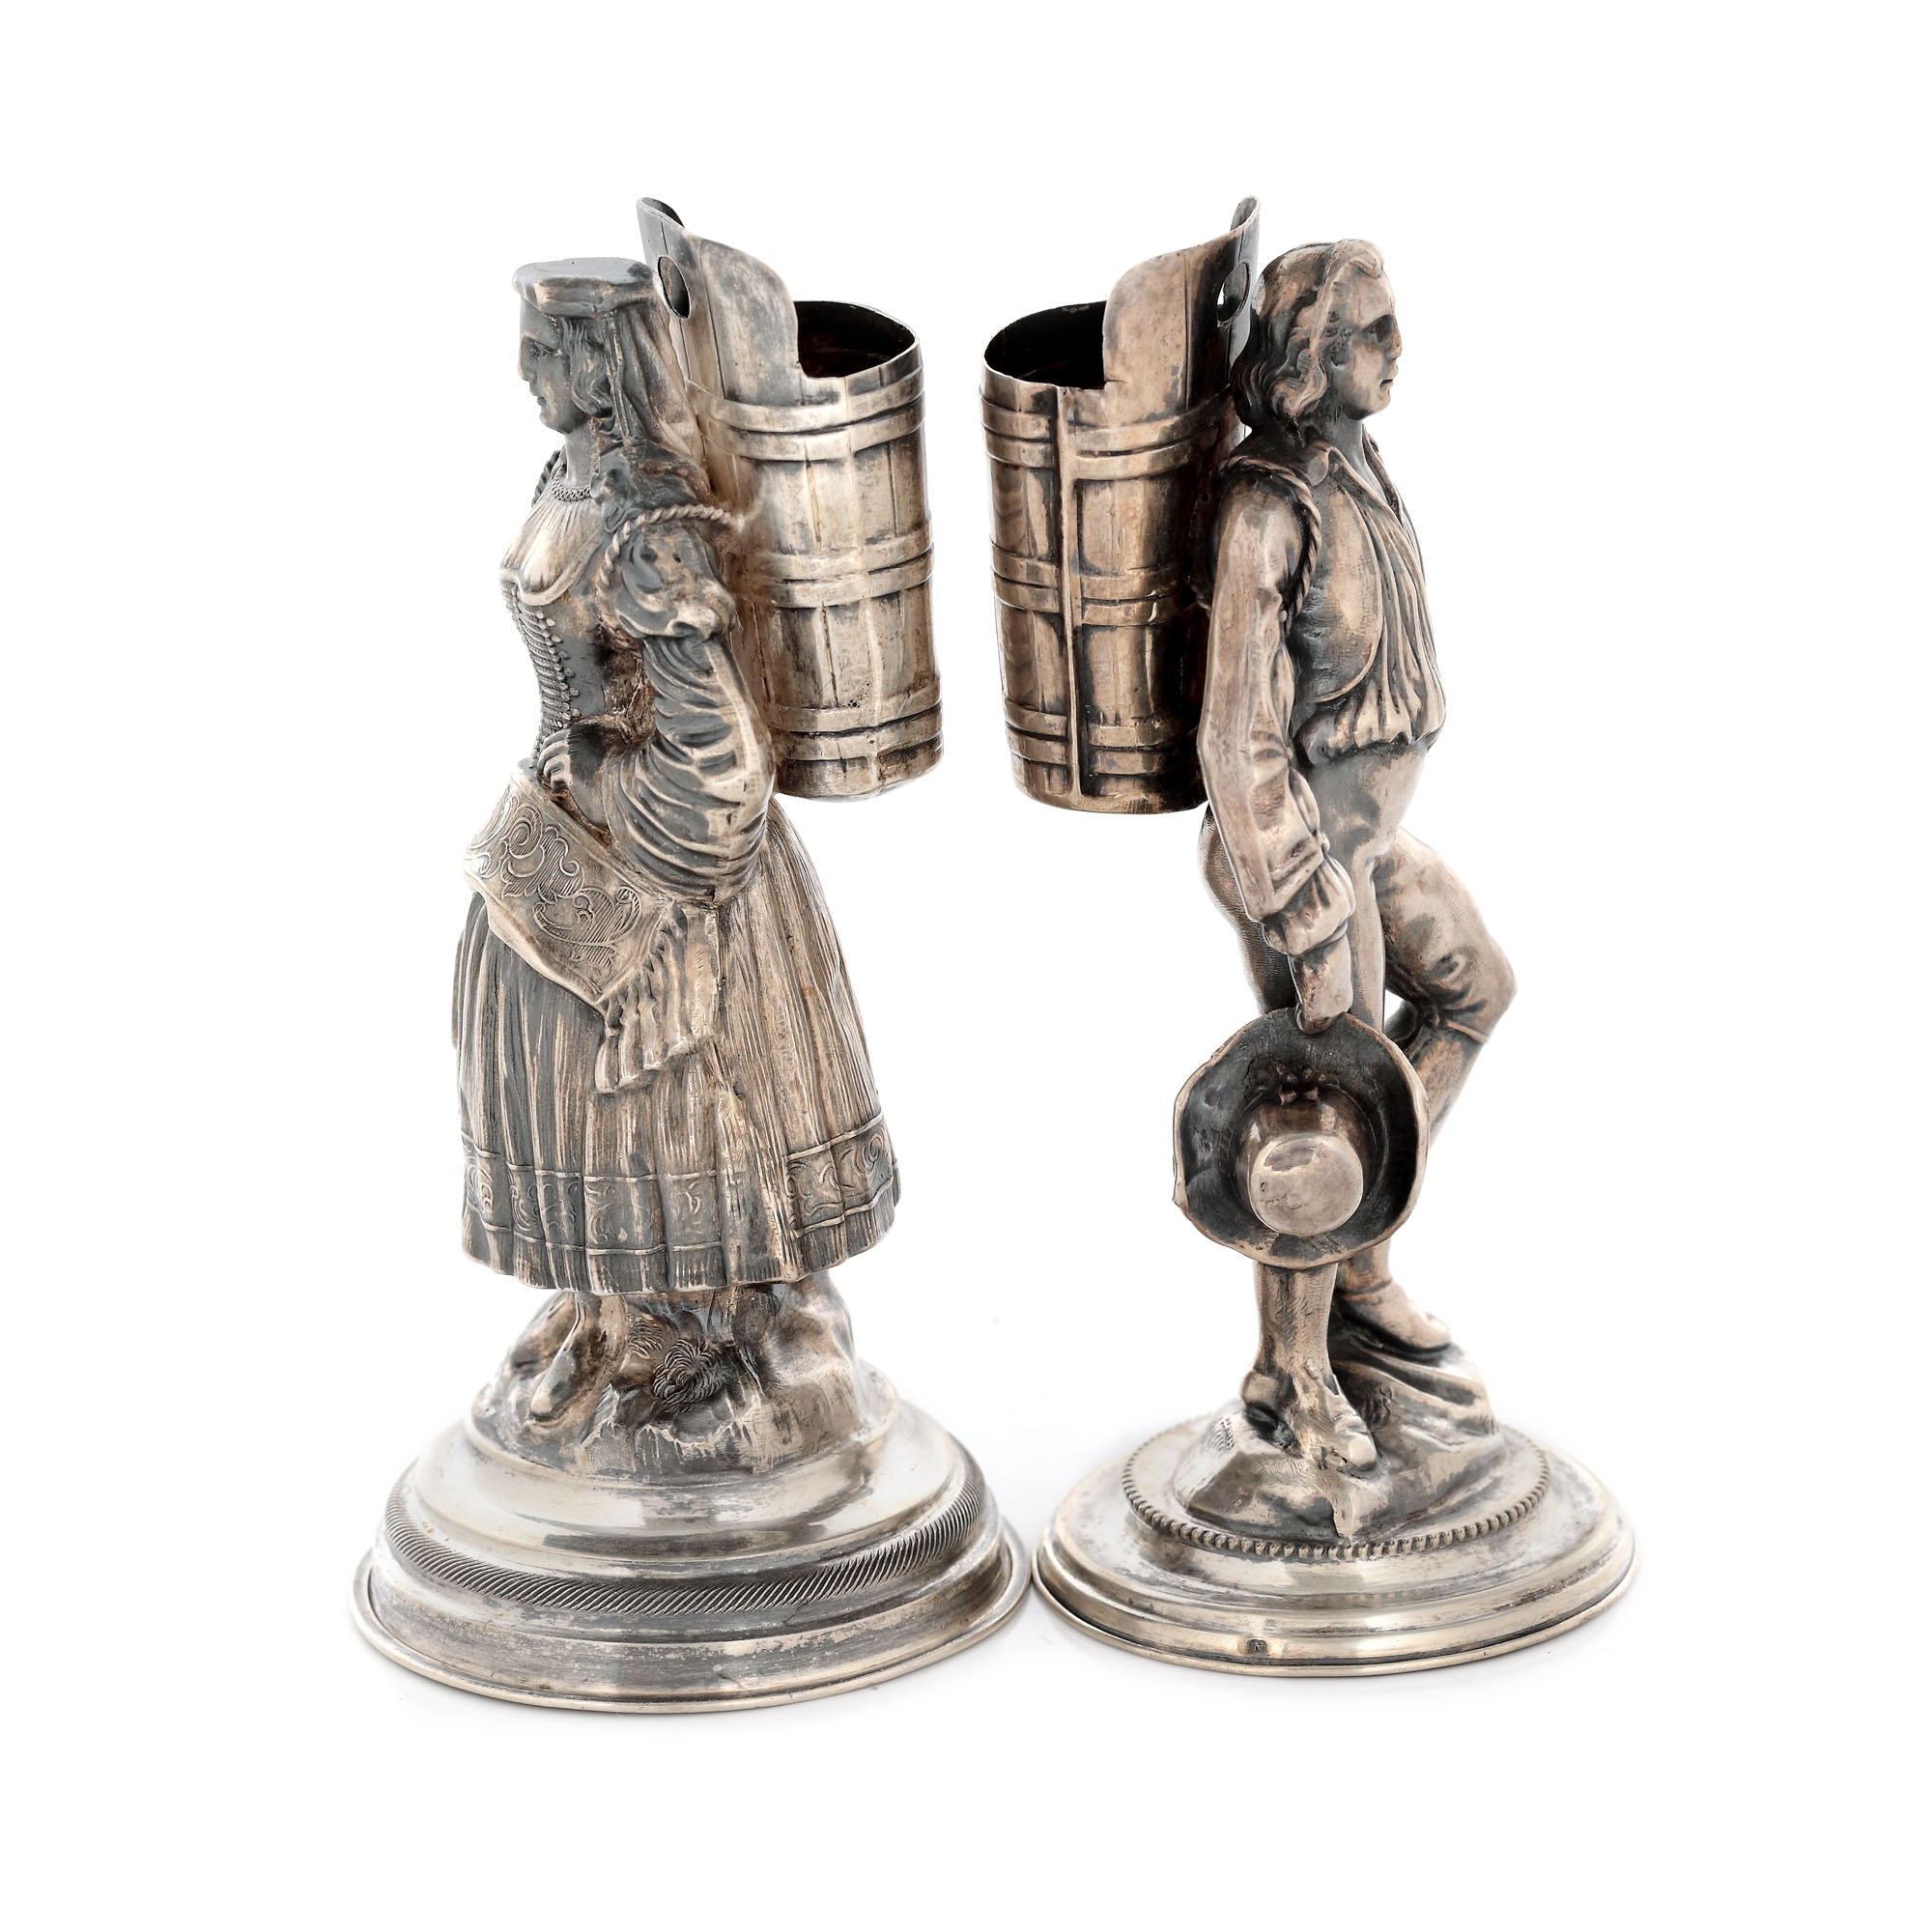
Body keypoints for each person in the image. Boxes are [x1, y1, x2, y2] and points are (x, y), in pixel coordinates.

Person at [456, 260, 895, 1426]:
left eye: (544, 350)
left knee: (668, 1092)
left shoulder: (652, 528)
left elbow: (723, 749)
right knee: (585, 1097)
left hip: (667, 854)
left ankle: (708, 1326)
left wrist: (639, 837)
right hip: (569, 831)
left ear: (600, 366)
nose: (523, 370)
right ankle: (611, 1304)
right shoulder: (570, 478)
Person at [1198, 241, 1515, 1463]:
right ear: (1309, 356)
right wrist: (1305, 908)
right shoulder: (1265, 505)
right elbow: (1236, 735)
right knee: (1320, 1101)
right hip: (1309, 854)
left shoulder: (1355, 464)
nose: (1397, 349)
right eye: (1372, 333)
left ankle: (1362, 1262)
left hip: (1371, 835)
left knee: (1474, 989)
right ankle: (1290, 1372)